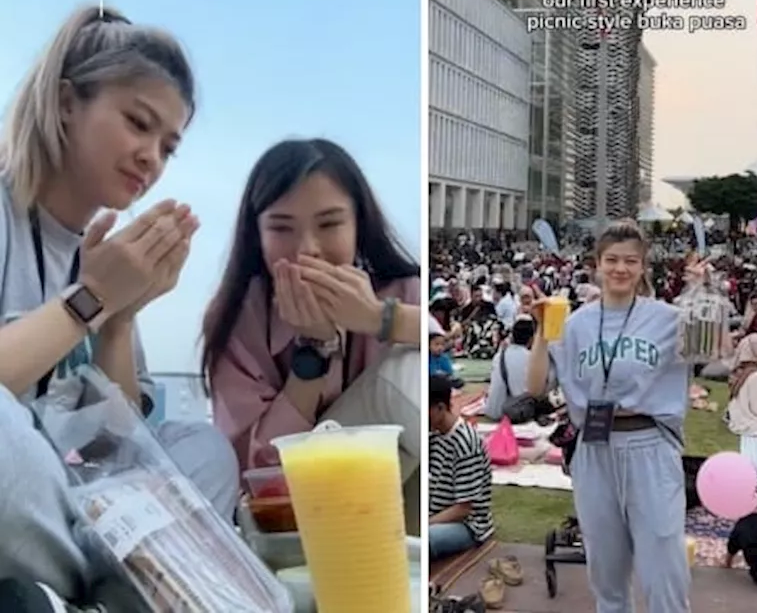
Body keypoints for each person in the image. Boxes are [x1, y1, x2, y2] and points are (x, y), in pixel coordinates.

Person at [0, 5, 240, 612]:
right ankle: (125, 590)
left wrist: (122, 319)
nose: (151, 157)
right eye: (138, 123)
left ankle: (104, 595)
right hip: (25, 502)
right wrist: (91, 300)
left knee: (202, 449)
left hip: (81, 509)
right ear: (64, 103)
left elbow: (120, 447)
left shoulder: (103, 252)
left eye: (168, 146)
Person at [202, 139, 423, 527]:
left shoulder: (401, 291)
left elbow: (443, 343)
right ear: (257, 234)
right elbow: (257, 473)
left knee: (409, 365)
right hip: (293, 502)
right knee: (400, 376)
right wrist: (314, 354)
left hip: (391, 486)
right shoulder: (238, 317)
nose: (308, 250)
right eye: (281, 228)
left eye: (329, 224)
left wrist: (378, 318)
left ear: (359, 225)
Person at [526, 221, 697, 613]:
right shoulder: (574, 323)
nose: (621, 269)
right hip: (594, 448)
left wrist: (701, 293)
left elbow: (715, 350)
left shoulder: (669, 319)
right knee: (606, 571)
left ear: (642, 267)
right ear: (597, 265)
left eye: (631, 261)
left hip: (650, 447)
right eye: (612, 260)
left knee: (663, 571)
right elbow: (535, 386)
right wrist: (539, 330)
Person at [426, 374, 496, 560]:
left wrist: (427, 522)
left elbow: (464, 508)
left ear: (440, 408)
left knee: (424, 541)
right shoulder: (435, 434)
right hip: (438, 513)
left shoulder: (465, 443)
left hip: (467, 525)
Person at [485, 316, 556, 422]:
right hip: (518, 412)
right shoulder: (533, 359)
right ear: (532, 339)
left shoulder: (499, 356)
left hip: (494, 411)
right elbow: (546, 388)